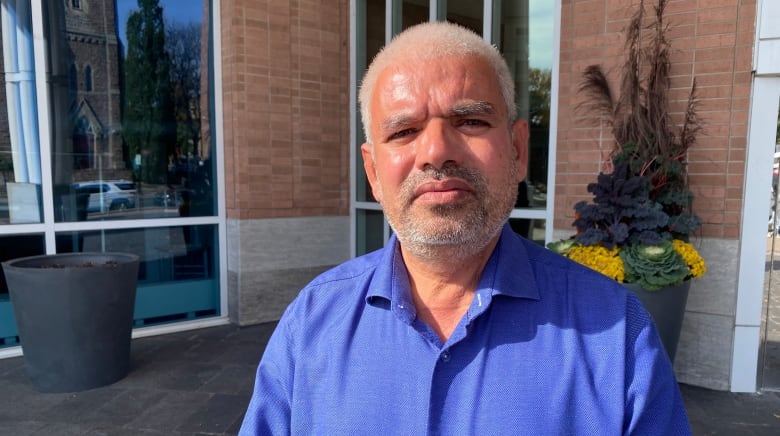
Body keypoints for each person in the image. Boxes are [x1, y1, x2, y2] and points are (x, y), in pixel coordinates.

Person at [239, 21, 691, 435]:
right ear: (373, 172)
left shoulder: (616, 334)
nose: (436, 151)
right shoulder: (311, 324)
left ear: (517, 150)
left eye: (470, 121)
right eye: (403, 131)